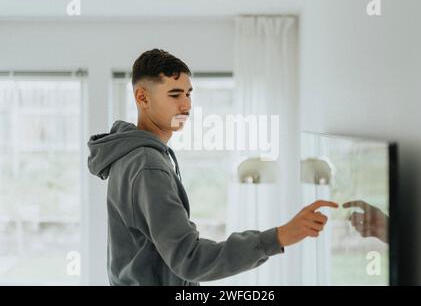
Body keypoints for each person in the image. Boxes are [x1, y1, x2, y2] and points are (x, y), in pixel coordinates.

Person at [87, 49, 338, 286]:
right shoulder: (147, 165)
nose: (186, 106)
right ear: (142, 97)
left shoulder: (133, 156)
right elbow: (190, 259)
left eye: (188, 93)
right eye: (174, 95)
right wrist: (278, 237)